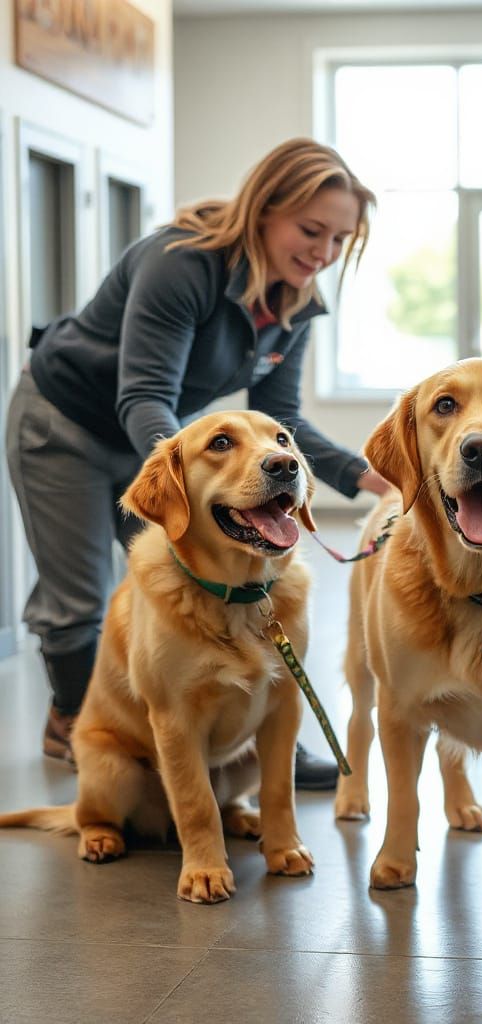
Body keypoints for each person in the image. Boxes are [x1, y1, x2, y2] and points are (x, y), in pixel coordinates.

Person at [5, 138, 389, 789]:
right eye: (310, 230)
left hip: (146, 432)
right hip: (63, 421)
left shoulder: (296, 301)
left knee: (212, 587)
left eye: (338, 239)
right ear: (265, 208)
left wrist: (367, 476)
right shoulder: (181, 263)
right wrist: (196, 488)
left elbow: (281, 420)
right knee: (80, 601)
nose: (322, 253)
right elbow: (146, 394)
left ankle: (260, 738)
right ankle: (75, 719)